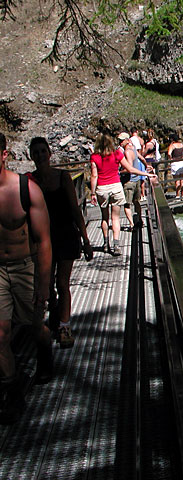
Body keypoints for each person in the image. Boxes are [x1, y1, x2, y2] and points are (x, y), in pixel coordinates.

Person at [0, 132, 53, 424]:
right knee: (0, 335)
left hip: (23, 265)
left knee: (35, 326)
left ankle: (45, 356)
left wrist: (44, 284)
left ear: (4, 154)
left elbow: (44, 240)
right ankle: (12, 391)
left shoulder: (25, 189)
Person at [29, 137, 93, 349]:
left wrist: (85, 238)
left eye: (42, 151)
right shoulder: (29, 181)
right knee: (46, 285)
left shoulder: (62, 177)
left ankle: (64, 326)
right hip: (42, 238)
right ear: (31, 156)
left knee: (62, 282)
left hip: (65, 234)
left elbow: (75, 209)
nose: (39, 156)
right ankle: (55, 310)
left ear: (49, 153)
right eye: (35, 152)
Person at [90, 134, 155, 256]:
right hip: (115, 186)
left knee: (105, 217)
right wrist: (146, 174)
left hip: (102, 188)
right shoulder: (117, 154)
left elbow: (94, 175)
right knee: (115, 217)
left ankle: (105, 244)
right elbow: (130, 169)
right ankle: (116, 245)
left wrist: (93, 193)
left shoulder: (94, 156)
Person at [117, 133, 145, 230]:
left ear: (127, 140)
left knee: (127, 204)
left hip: (129, 181)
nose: (120, 142)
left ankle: (132, 224)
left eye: (121, 140)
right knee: (136, 202)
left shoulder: (126, 152)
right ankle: (140, 220)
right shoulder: (133, 148)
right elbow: (142, 158)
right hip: (136, 180)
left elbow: (129, 168)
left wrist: (119, 172)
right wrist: (146, 166)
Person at [167, 133, 183, 199]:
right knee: (182, 179)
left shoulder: (172, 146)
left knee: (177, 180)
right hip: (181, 162)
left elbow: (169, 153)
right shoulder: (181, 145)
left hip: (175, 163)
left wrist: (171, 159)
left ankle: (177, 195)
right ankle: (182, 194)